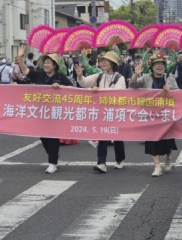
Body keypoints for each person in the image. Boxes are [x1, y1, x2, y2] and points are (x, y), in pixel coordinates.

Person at [17, 44, 73, 174]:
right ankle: (53, 155)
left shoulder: (60, 77)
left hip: (55, 112)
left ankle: (52, 163)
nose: (46, 65)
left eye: (49, 62)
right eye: (45, 62)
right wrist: (20, 58)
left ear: (54, 65)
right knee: (43, 137)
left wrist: (60, 87)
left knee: (53, 137)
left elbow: (72, 90)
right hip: (41, 112)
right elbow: (25, 71)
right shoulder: (39, 75)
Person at [75, 51, 126, 173]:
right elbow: (84, 83)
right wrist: (80, 76)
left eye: (106, 61)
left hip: (115, 111)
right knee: (102, 134)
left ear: (113, 63)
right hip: (102, 111)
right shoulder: (99, 76)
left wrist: (100, 90)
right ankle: (101, 162)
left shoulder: (120, 78)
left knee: (117, 137)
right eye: (101, 61)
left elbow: (118, 92)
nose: (102, 63)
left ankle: (120, 158)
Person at [129, 52, 179, 176]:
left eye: (161, 64)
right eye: (156, 64)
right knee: (152, 141)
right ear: (151, 66)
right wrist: (136, 74)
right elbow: (132, 85)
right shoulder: (146, 78)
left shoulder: (170, 77)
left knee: (169, 141)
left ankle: (168, 159)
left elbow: (179, 94)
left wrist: (171, 90)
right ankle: (157, 167)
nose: (159, 66)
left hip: (166, 115)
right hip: (151, 115)